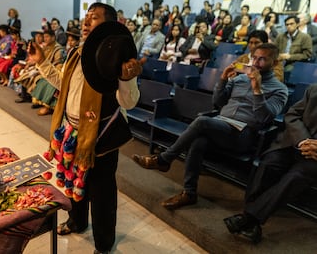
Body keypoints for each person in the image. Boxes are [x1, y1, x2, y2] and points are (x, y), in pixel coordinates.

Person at [28, 2, 142, 254]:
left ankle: (103, 244)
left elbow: (129, 103)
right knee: (73, 182)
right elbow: (62, 83)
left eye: (94, 17)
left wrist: (128, 78)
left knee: (101, 195)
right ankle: (77, 222)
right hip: (71, 132)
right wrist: (42, 62)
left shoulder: (115, 58)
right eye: (86, 17)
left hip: (101, 137)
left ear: (109, 26)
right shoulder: (76, 53)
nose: (86, 21)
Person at [132, 43, 288, 210]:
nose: (256, 63)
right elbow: (218, 103)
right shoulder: (240, 79)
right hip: (221, 125)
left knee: (202, 122)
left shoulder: (280, 90)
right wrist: (222, 80)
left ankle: (164, 159)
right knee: (199, 141)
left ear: (275, 62)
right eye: (255, 58)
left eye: (263, 59)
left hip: (243, 134)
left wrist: (257, 89)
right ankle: (189, 193)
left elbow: (264, 117)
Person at [224, 83, 317, 243]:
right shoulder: (314, 89)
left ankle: (249, 218)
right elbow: (292, 114)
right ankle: (252, 219)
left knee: (296, 176)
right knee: (269, 164)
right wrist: (303, 140)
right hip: (295, 142)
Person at [30, 29, 65, 115]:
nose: (45, 39)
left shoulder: (58, 49)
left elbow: (59, 63)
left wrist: (45, 68)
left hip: (56, 70)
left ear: (53, 37)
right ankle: (39, 101)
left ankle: (48, 106)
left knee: (46, 82)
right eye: (44, 37)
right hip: (45, 69)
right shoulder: (46, 47)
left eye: (47, 36)